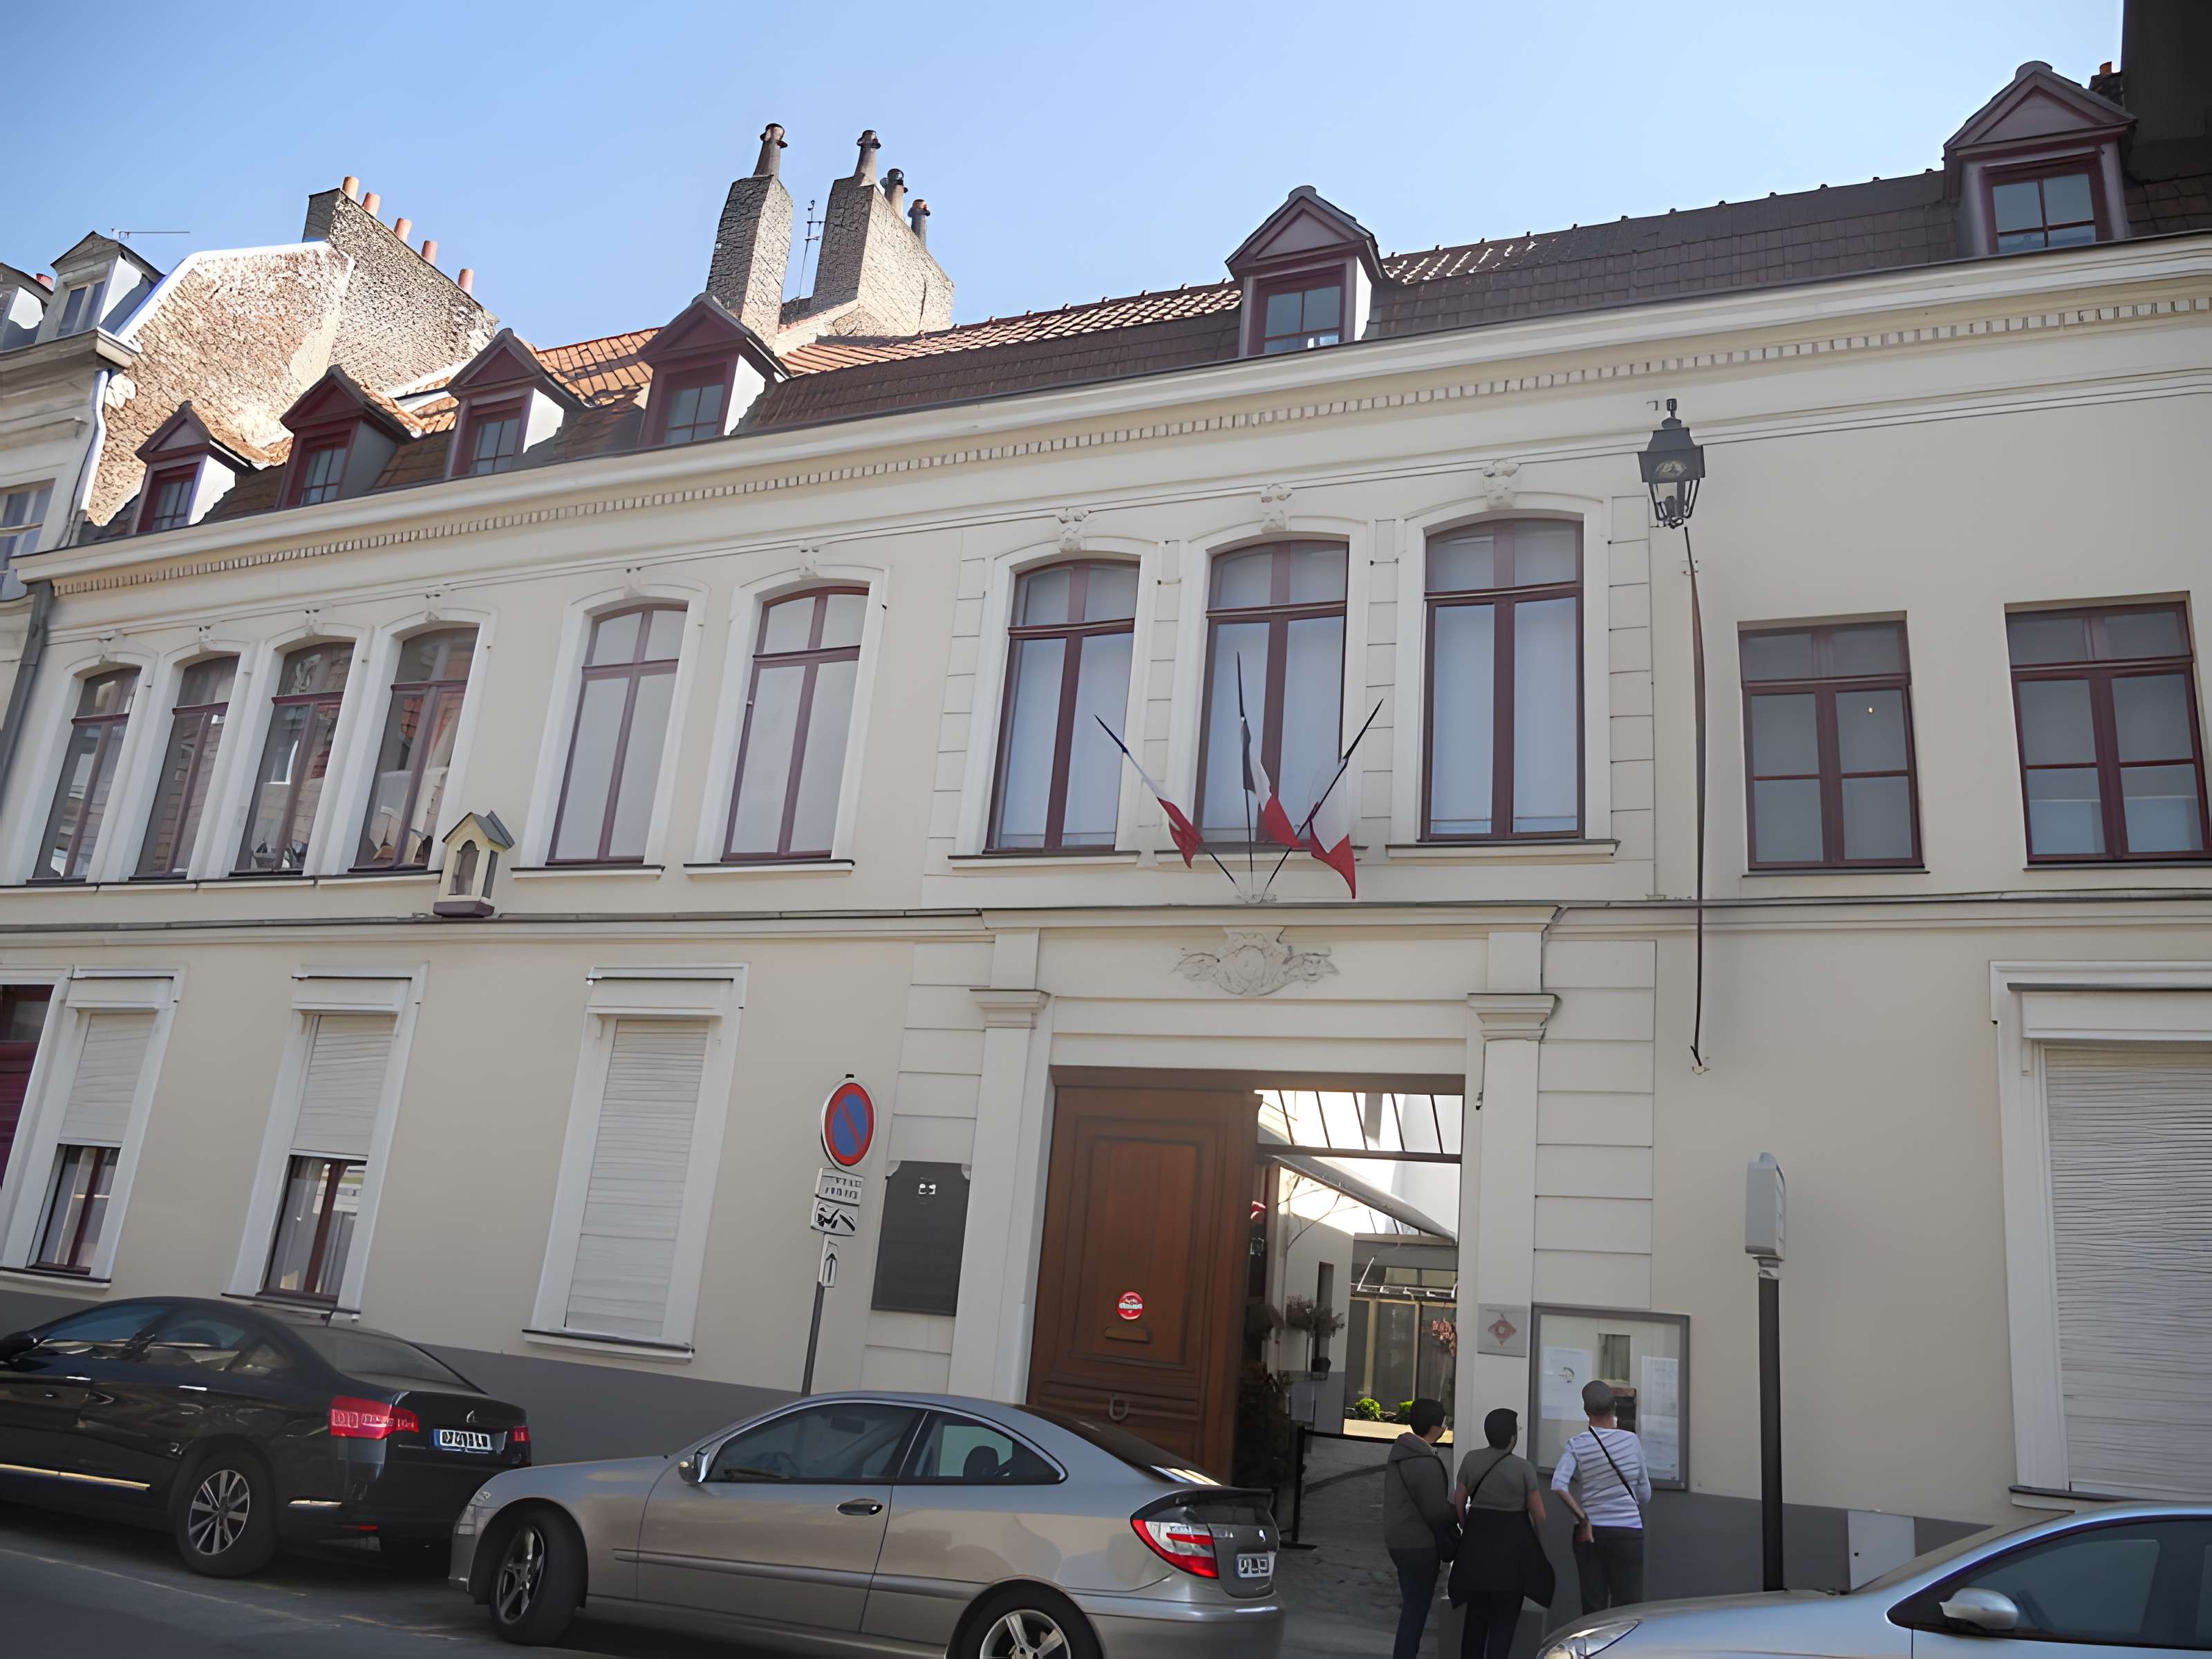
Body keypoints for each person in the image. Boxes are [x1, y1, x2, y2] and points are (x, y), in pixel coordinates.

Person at [1449, 1407, 1548, 1659]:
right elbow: (1539, 1515)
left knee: (1476, 1616)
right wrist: (1540, 1544)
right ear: (1513, 1437)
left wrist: (1466, 1527)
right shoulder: (1524, 1469)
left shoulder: (1471, 1459)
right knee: (1504, 1622)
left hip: (1478, 1549)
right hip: (1512, 1556)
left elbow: (1459, 1501)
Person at [1551, 1379, 1652, 1613]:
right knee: (1627, 1609)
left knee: (1593, 1607)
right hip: (1628, 1533)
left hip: (1591, 1534)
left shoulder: (1577, 1444)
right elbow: (1644, 1493)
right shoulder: (1632, 1441)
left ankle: (1595, 1651)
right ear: (1614, 1406)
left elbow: (1558, 1484)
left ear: (1587, 1411)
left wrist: (1583, 1519)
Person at [1382, 1398, 1456, 1659]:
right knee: (1415, 1612)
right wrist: (1459, 1511)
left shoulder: (1403, 1451)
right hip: (1419, 1545)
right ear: (1436, 1427)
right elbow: (1436, 1511)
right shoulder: (1423, 1460)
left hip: (1399, 1540)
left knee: (1412, 1607)